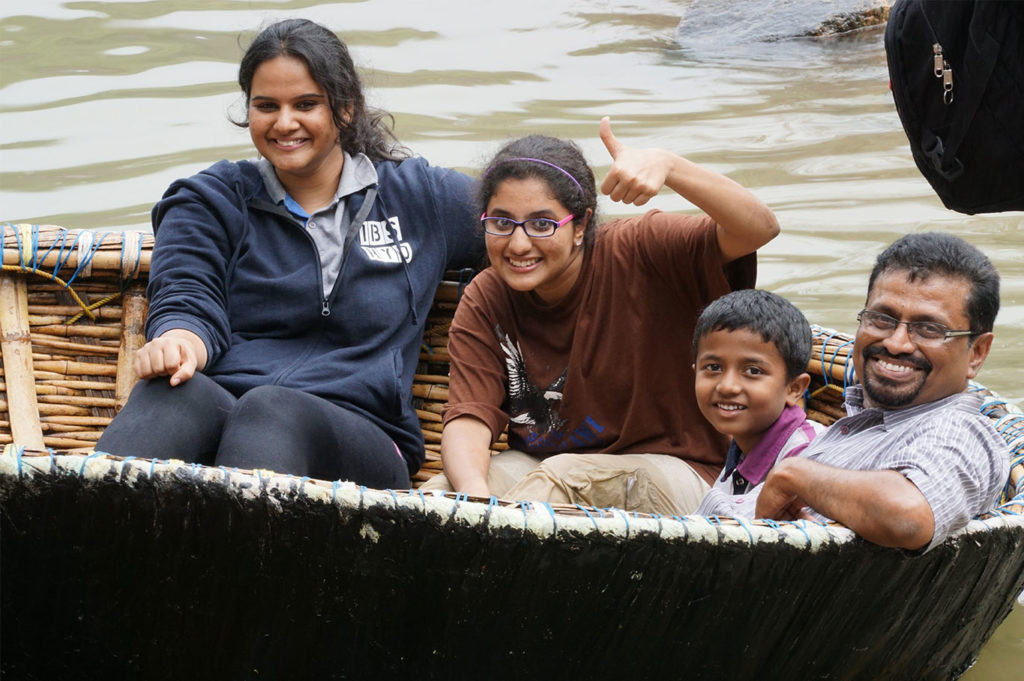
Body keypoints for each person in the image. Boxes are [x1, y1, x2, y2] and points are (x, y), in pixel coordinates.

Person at [96, 19, 482, 489]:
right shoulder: (212, 198)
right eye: (266, 106)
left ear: (344, 109)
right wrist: (180, 340)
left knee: (270, 409)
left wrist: (594, 208)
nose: (284, 123)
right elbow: (186, 288)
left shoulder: (422, 197)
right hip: (228, 404)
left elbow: (532, 224)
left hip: (363, 433)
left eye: (305, 105)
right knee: (171, 395)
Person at [422, 118, 780, 515]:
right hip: (544, 466)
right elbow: (468, 418)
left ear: (581, 226)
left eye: (542, 224)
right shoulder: (486, 296)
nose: (519, 244)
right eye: (502, 223)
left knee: (563, 479)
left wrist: (669, 166)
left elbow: (759, 227)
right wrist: (472, 497)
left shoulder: (640, 248)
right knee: (441, 493)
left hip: (684, 473)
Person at [755, 232, 1011, 551]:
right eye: (882, 319)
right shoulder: (867, 417)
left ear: (977, 353)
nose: (896, 343)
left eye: (929, 329)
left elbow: (909, 517)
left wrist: (793, 475)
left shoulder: (958, 431)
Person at [691, 289, 825, 517]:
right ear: (695, 373)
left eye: (753, 371)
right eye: (713, 367)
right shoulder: (743, 446)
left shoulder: (808, 457)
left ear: (794, 389)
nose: (727, 386)